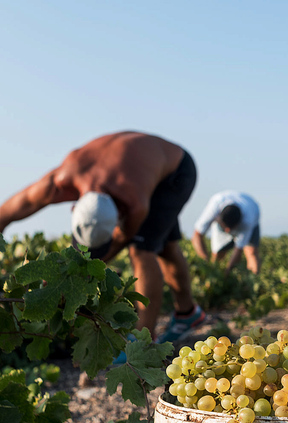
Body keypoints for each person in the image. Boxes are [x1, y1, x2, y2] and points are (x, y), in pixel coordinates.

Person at [0, 131, 205, 346]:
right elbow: (17, 206)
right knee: (166, 247)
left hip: (176, 171)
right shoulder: (61, 179)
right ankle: (188, 314)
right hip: (141, 161)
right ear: (74, 207)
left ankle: (143, 341)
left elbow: (123, 239)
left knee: (143, 250)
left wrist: (76, 275)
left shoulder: (136, 203)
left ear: (120, 213)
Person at [191, 191, 261, 276]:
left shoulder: (248, 221)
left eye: (231, 229)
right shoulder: (214, 207)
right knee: (217, 254)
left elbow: (238, 250)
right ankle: (213, 273)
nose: (228, 231)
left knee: (251, 252)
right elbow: (197, 236)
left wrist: (227, 272)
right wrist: (205, 263)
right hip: (222, 218)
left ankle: (253, 279)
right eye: (226, 228)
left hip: (253, 213)